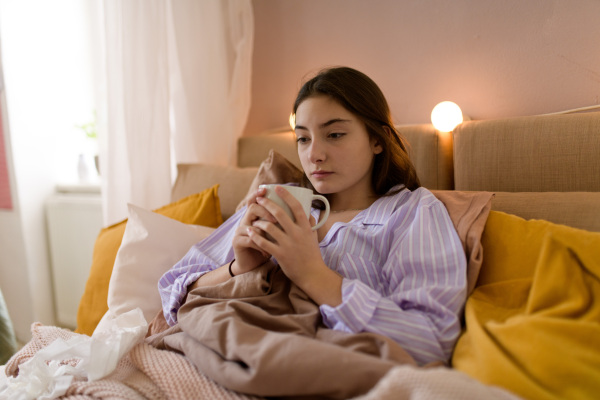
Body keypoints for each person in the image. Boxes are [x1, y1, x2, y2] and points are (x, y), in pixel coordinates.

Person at [158, 66, 467, 366]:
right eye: (303, 139)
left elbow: (431, 342)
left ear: (377, 140)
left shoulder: (411, 213)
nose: (314, 154)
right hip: (228, 357)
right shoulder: (283, 201)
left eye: (334, 134)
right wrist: (239, 268)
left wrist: (313, 275)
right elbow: (172, 290)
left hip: (321, 369)